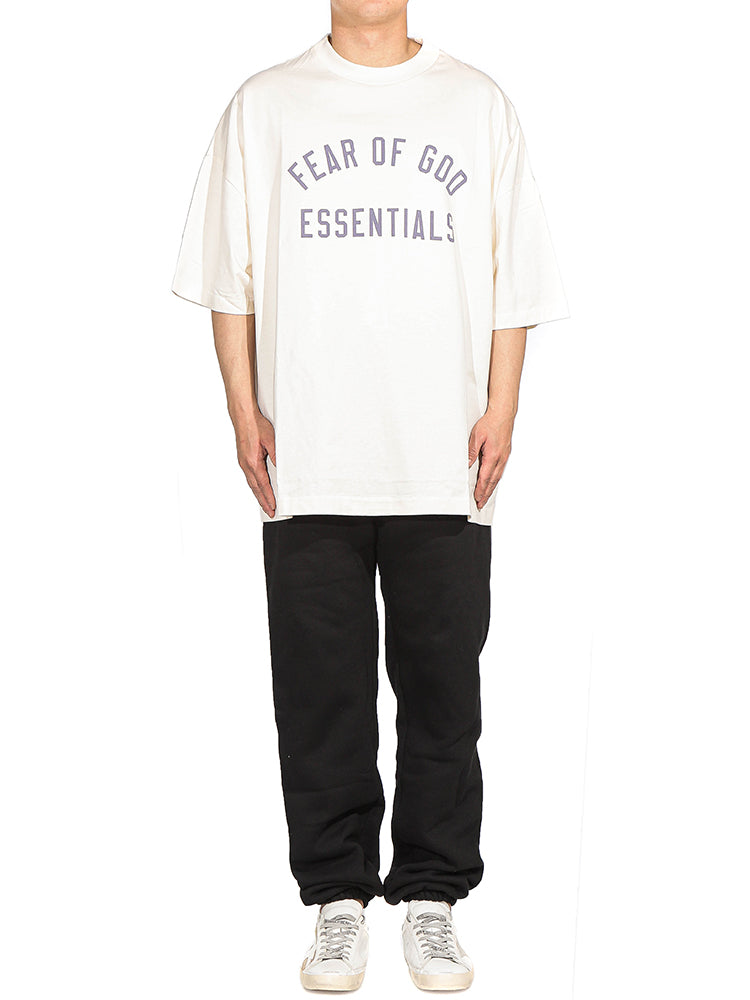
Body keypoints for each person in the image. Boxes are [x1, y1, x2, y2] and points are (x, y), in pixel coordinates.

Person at [171, 1, 569, 992]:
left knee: (443, 689)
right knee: (320, 693)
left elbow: (513, 280)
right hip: (309, 452)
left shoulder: (477, 104)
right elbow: (229, 279)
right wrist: (242, 410)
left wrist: (504, 408)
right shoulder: (265, 104)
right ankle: (337, 899)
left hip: (445, 453)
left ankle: (431, 896)